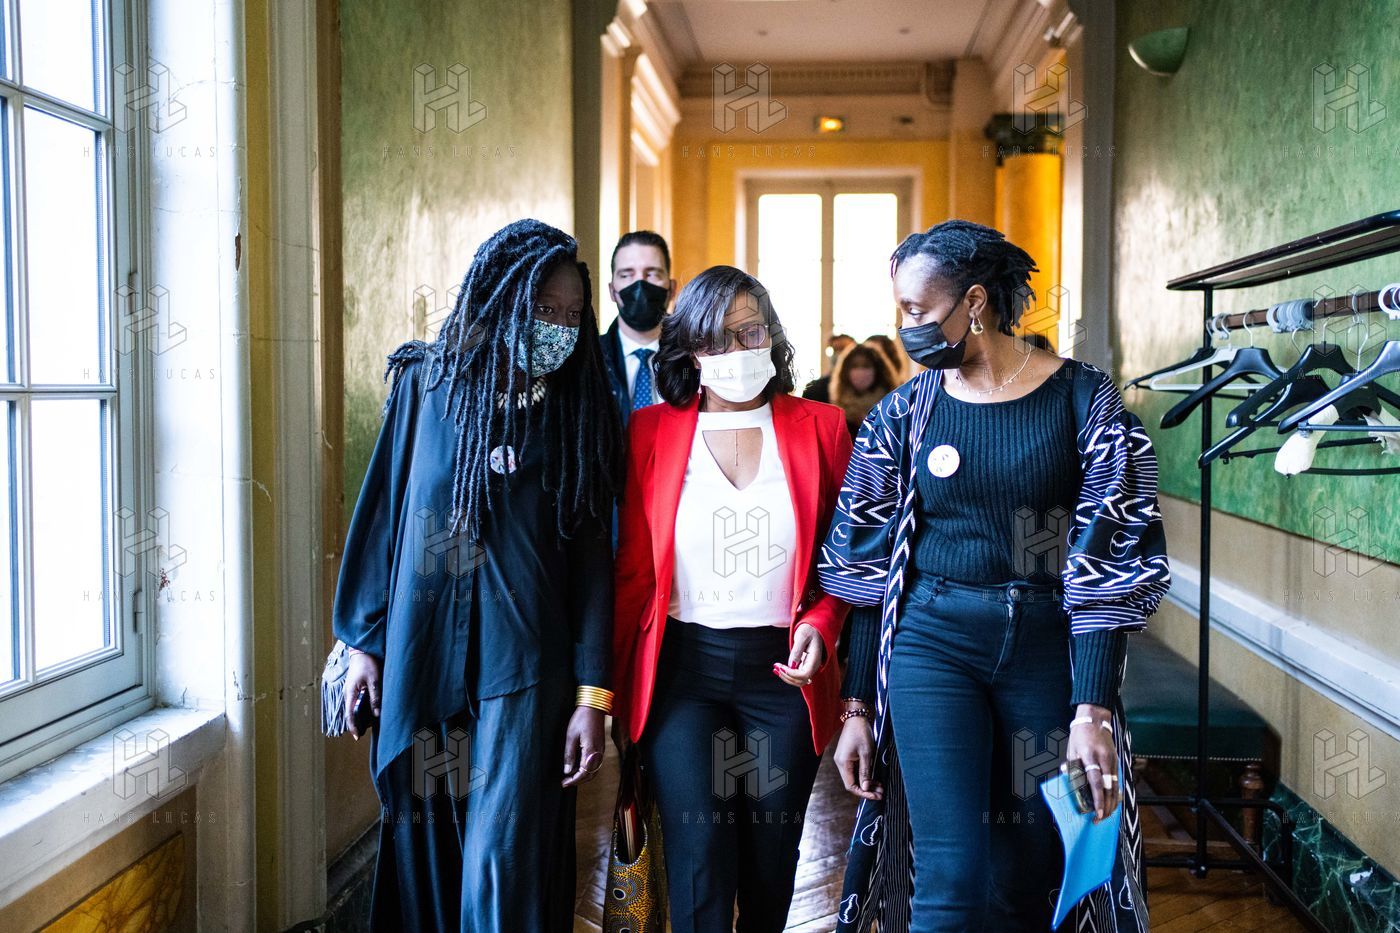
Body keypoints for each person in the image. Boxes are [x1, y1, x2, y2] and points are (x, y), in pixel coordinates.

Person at [820, 220, 1170, 932]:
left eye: (917, 309)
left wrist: (1093, 709)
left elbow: (1111, 565)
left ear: (974, 301)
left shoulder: (1083, 400)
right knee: (949, 876)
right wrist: (855, 706)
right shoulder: (905, 412)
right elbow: (867, 568)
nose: (906, 327)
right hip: (932, 643)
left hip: (1045, 648)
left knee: (1030, 873)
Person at [332, 220, 623, 931]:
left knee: (502, 857)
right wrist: (363, 643)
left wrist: (593, 697)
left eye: (572, 315)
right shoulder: (424, 386)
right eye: (545, 309)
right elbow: (383, 516)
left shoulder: (577, 413)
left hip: (525, 667)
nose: (559, 328)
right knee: (428, 837)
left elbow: (593, 569)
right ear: (501, 298)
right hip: (425, 649)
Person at [612, 266, 853, 933]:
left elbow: (846, 559)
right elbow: (632, 573)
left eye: (751, 332)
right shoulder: (649, 432)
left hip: (783, 673)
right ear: (690, 348)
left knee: (770, 864)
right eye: (717, 338)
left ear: (772, 336)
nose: (737, 349)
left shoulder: (822, 426)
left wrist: (822, 622)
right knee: (700, 858)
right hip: (682, 674)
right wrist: (608, 696)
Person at [602, 230, 675, 423]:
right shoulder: (589, 359)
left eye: (652, 274)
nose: (640, 284)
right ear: (612, 291)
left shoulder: (695, 357)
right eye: (626, 275)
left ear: (672, 288)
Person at [827, 341, 901, 438]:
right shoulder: (835, 411)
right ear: (845, 372)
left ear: (878, 370)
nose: (860, 371)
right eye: (855, 366)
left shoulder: (893, 408)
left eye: (866, 366)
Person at [800, 332, 855, 402]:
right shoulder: (814, 390)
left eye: (844, 350)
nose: (839, 354)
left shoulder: (863, 390)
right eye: (834, 349)